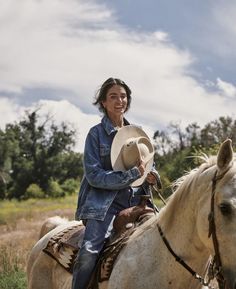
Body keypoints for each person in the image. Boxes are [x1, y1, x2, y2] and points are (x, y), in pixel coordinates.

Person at [72, 77, 160, 289]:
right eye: (113, 96)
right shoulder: (96, 134)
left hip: (138, 201)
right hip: (105, 206)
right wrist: (131, 175)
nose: (120, 100)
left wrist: (152, 176)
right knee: (88, 253)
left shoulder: (138, 133)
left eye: (123, 96)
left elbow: (149, 164)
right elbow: (94, 176)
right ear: (103, 102)